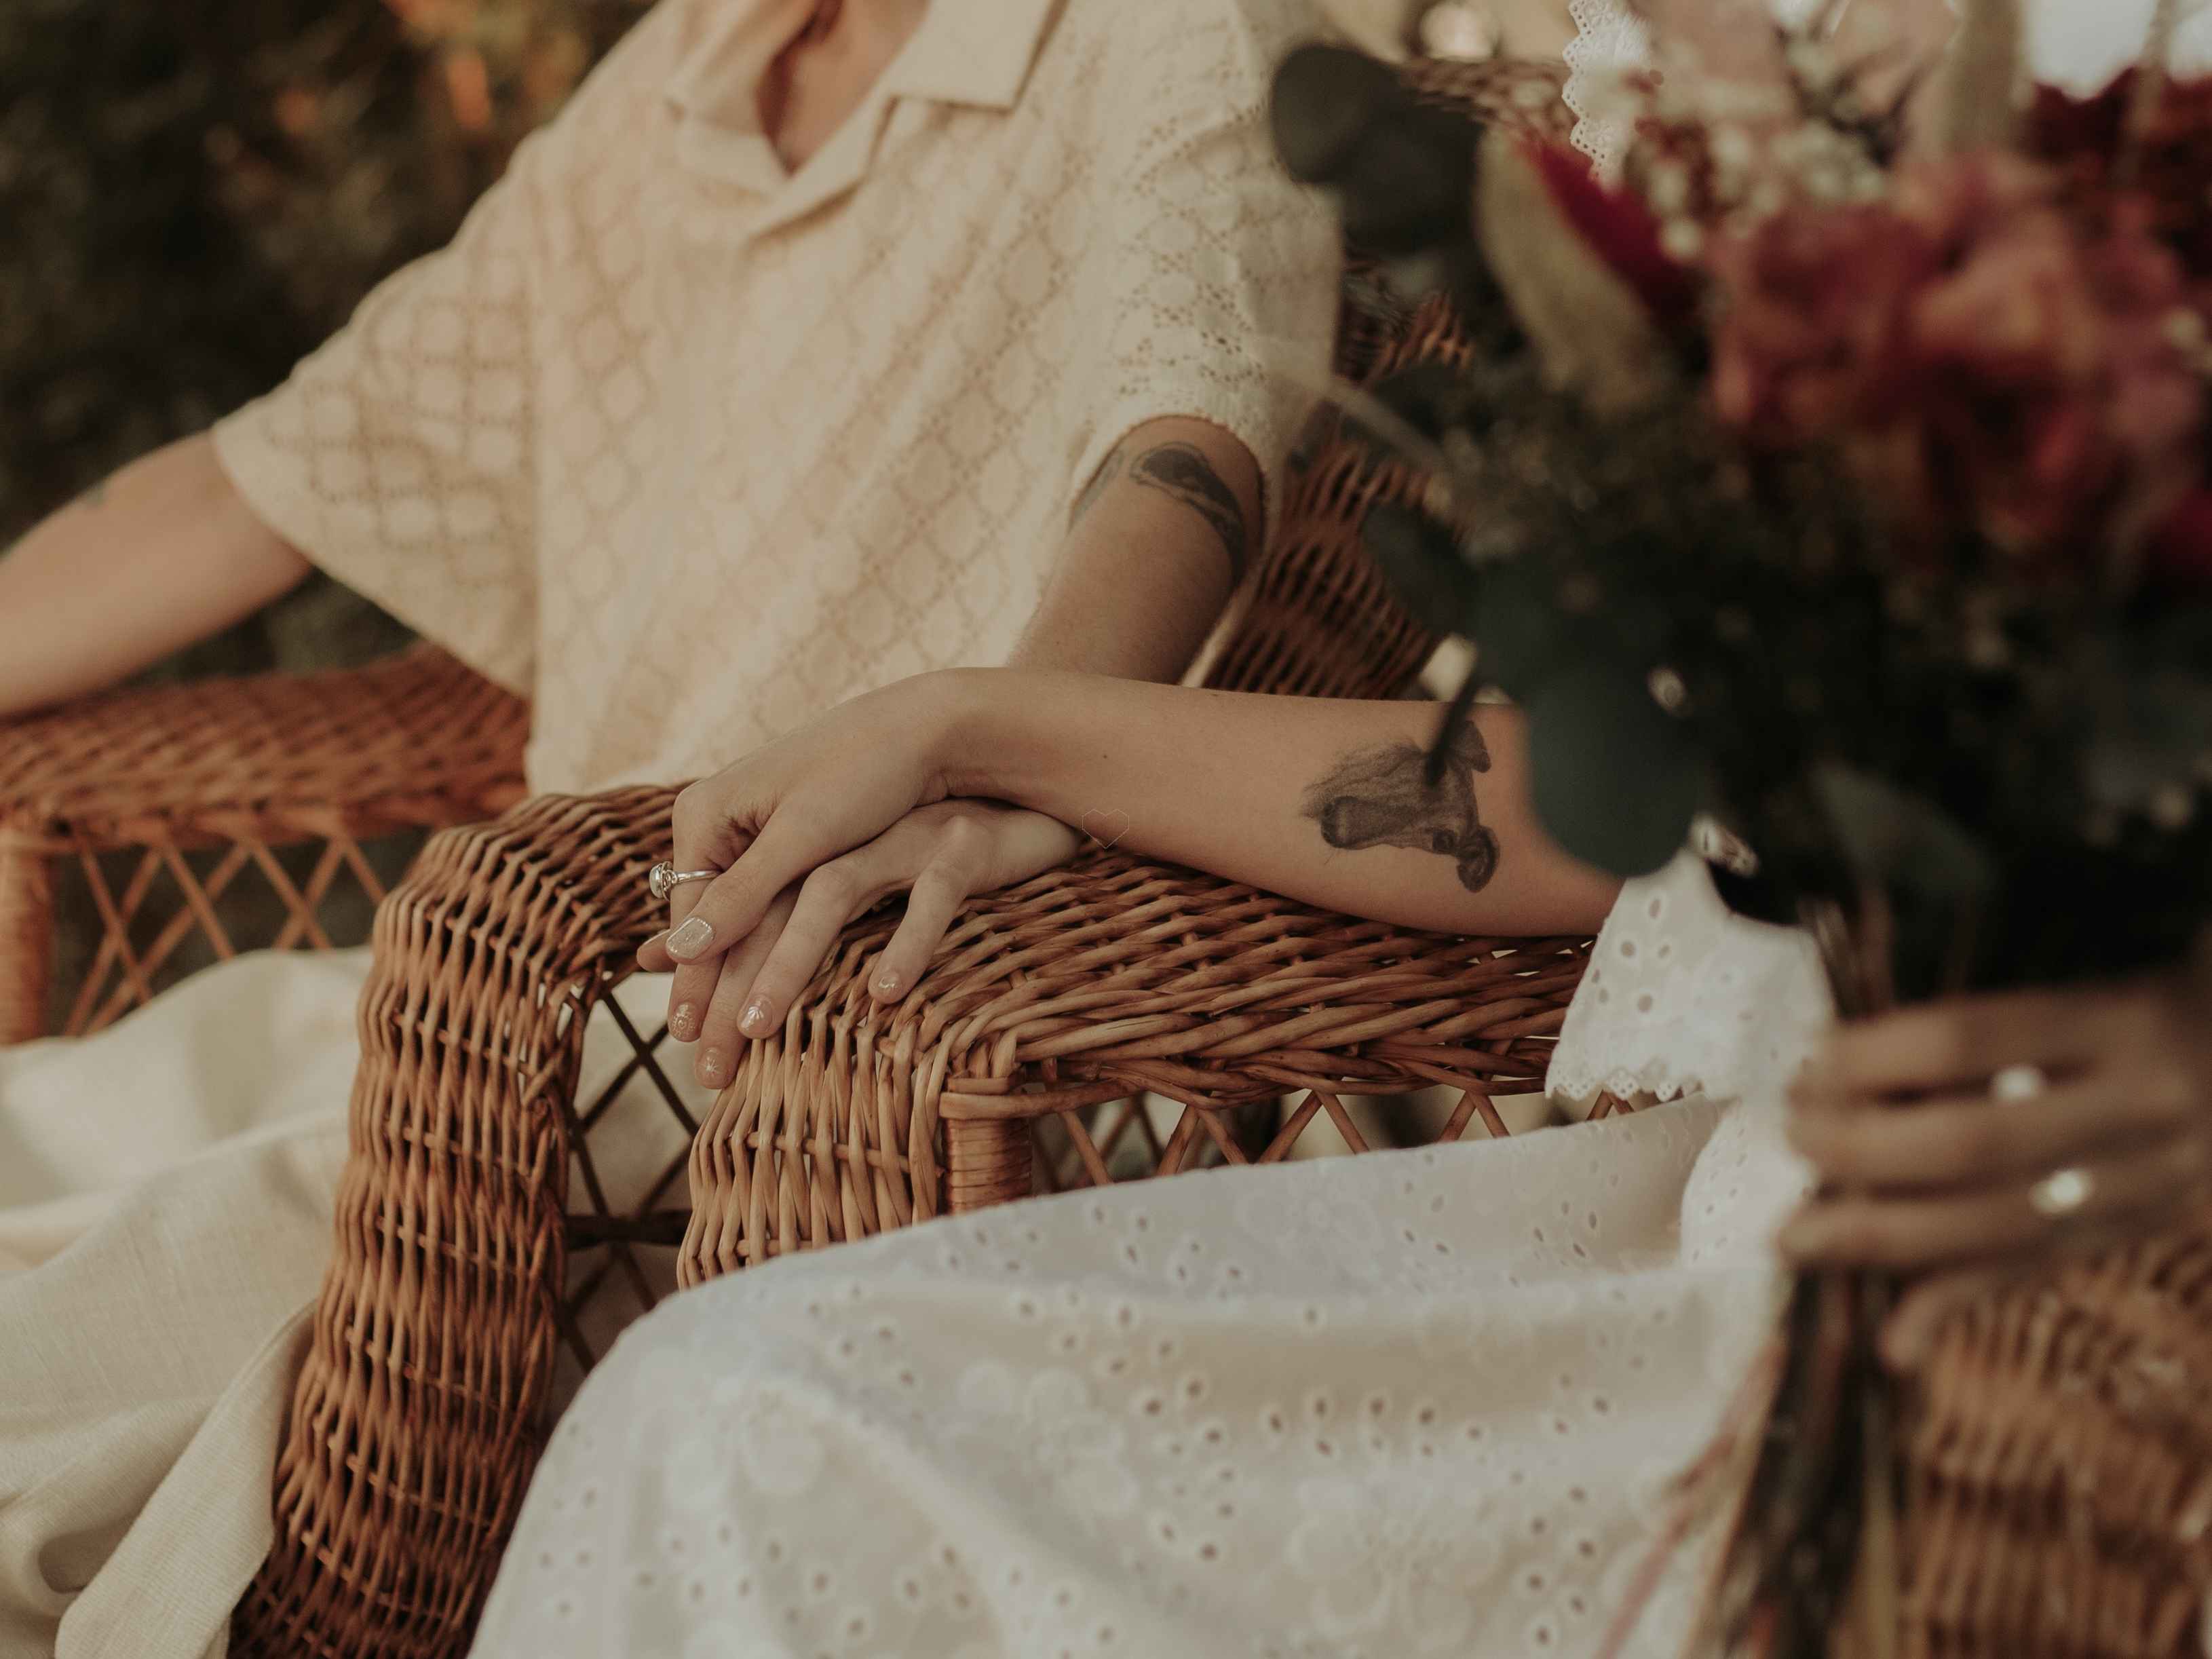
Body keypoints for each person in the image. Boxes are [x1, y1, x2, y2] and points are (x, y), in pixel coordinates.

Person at [459, 7, 2212, 1656]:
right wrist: (979, 731)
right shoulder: (1706, 72)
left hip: (2102, 1301)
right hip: (1737, 1232)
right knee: (737, 1416)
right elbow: (1590, 803)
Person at [0, 0, 1346, 1651]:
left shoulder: (1176, 27)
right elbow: (264, 477)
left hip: (853, 1048)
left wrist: (1013, 754)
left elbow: (1190, 437)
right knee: (58, 1142)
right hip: (498, 1005)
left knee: (89, 1325)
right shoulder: (684, 75)